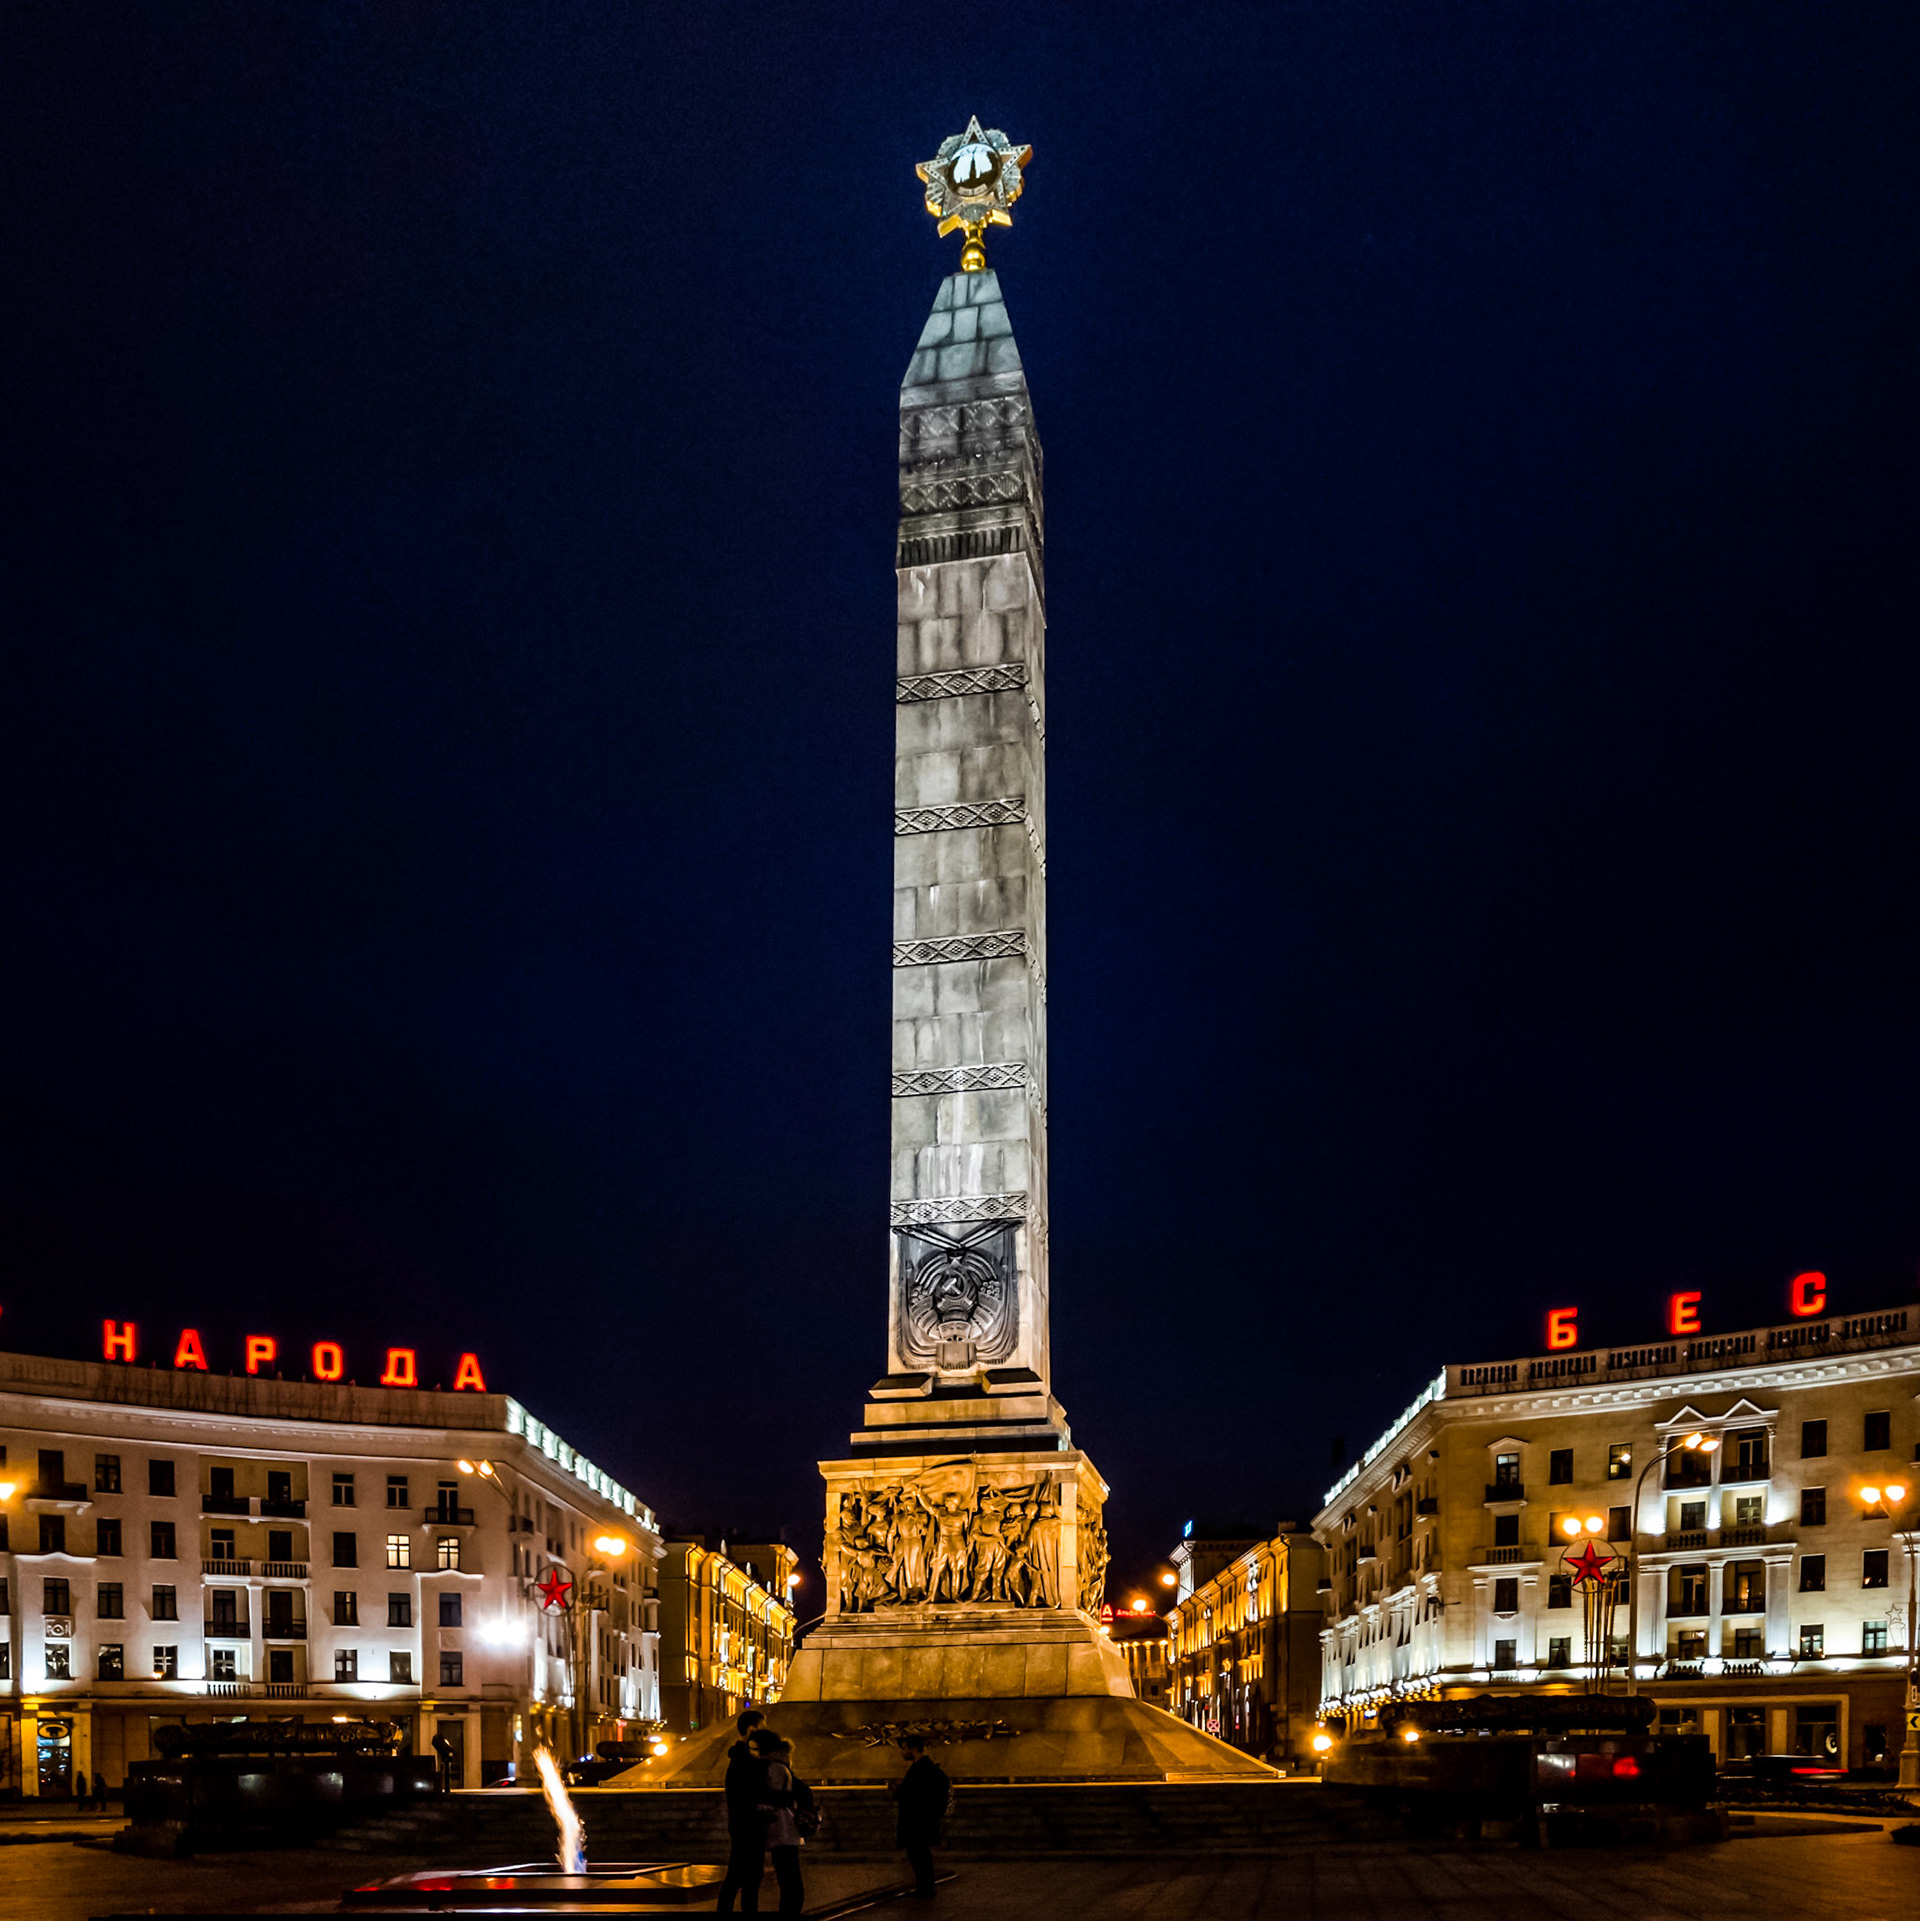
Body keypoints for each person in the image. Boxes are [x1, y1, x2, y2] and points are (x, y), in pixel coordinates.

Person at [750, 1729, 805, 1915]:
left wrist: (759, 1802)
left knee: (787, 1875)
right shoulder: (782, 1764)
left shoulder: (774, 1767)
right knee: (790, 1875)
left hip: (781, 1827)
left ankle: (789, 1912)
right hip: (786, 1827)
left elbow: (775, 1797)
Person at [716, 1710, 766, 1913]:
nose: (765, 1730)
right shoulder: (744, 1760)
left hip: (745, 1823)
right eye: (763, 1726)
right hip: (747, 1825)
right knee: (741, 1875)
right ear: (751, 1729)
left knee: (748, 1876)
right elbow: (747, 1794)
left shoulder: (743, 1758)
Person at [890, 1735, 950, 1899]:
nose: (902, 1753)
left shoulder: (921, 1768)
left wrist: (898, 1791)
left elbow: (912, 1793)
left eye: (904, 1748)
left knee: (919, 1856)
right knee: (920, 1856)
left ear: (913, 1749)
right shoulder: (925, 1768)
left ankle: (925, 1889)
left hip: (917, 1821)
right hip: (922, 1819)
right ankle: (925, 1888)